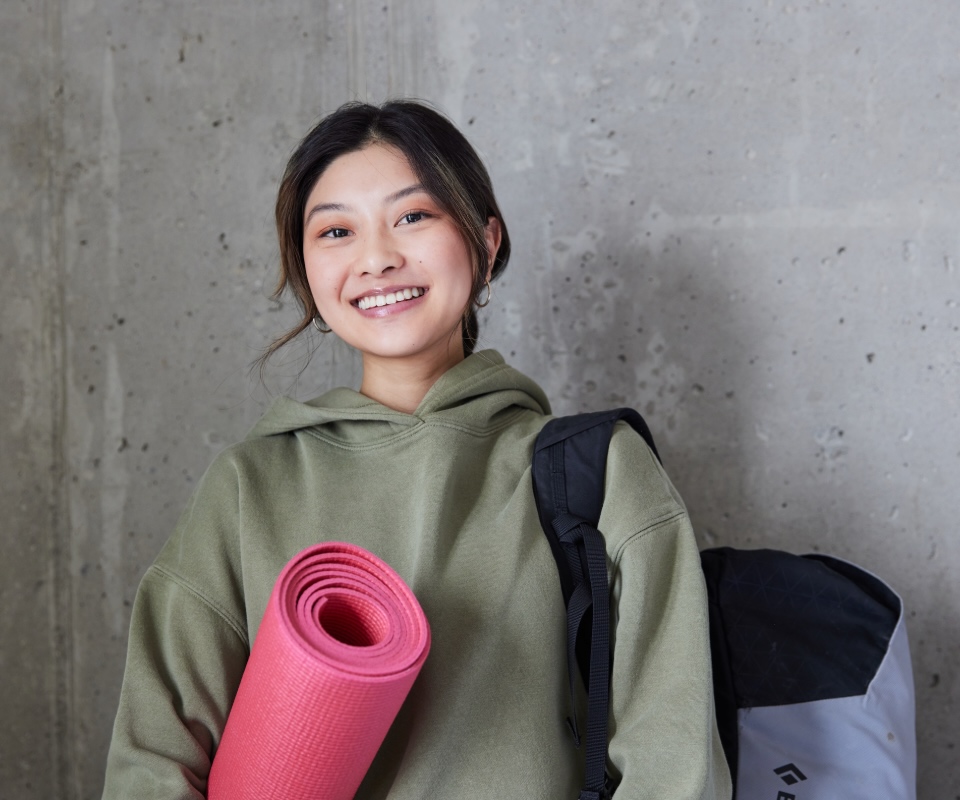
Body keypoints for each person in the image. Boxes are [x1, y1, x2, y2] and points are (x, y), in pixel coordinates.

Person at [101, 99, 731, 799]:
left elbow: (674, 769)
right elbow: (154, 765)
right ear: (308, 271)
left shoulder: (599, 474)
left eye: (413, 216)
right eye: (336, 230)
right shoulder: (250, 487)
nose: (376, 258)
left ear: (486, 241)